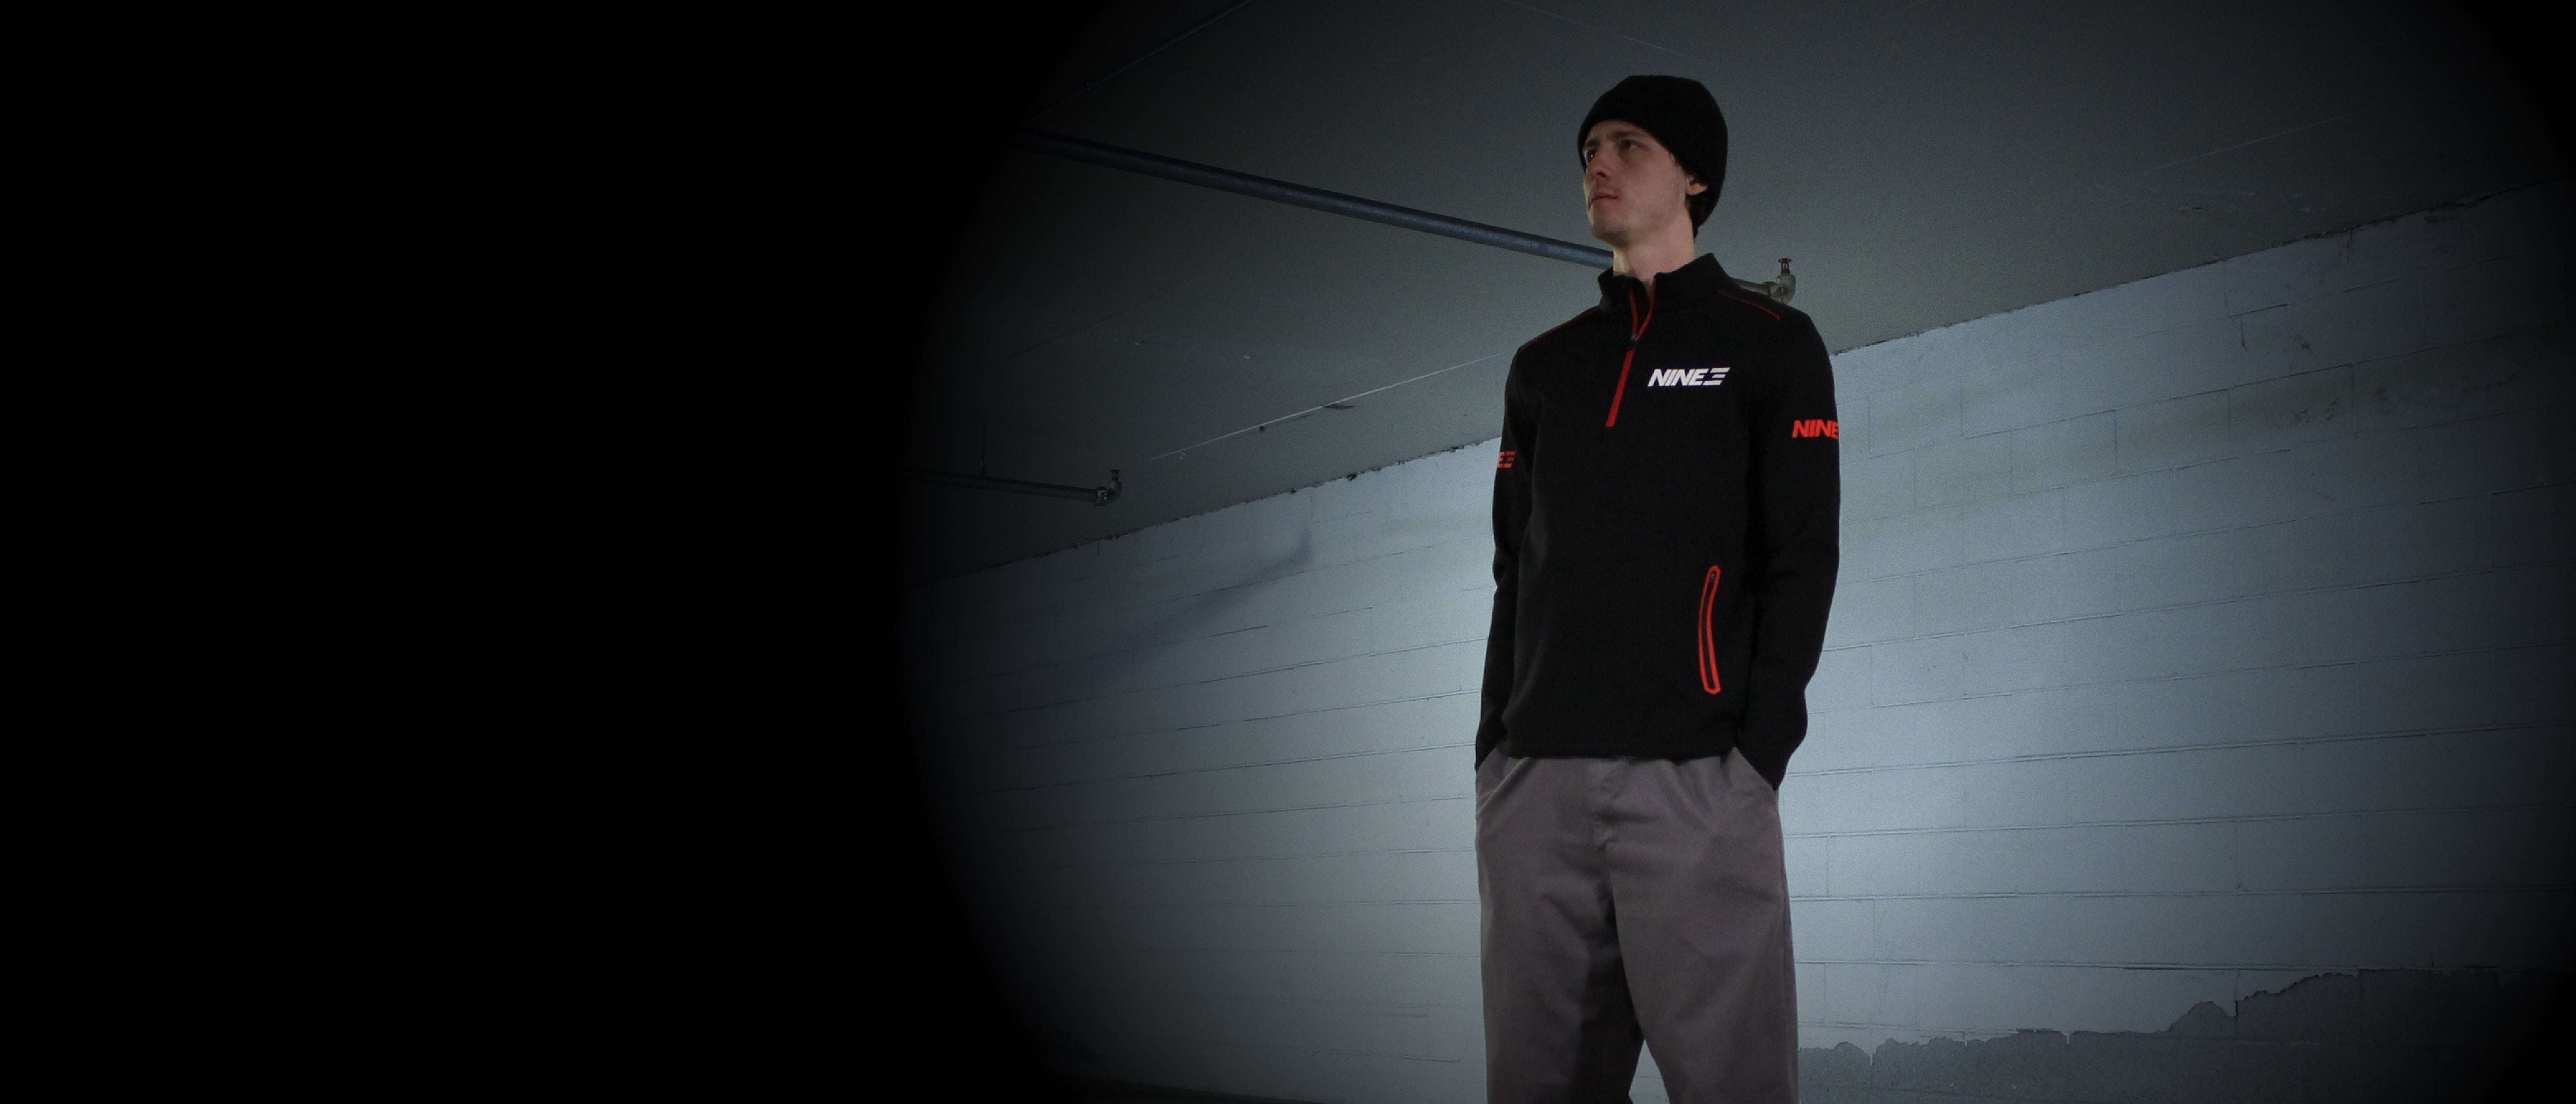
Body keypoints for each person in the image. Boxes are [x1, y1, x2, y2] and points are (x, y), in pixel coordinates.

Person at [1474, 74, 1840, 1104]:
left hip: (1697, 782)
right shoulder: (1544, 367)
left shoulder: (1768, 344)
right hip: (1535, 787)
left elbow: (1802, 558)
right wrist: (1494, 748)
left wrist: (1755, 757)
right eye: (1589, 147)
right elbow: (1514, 570)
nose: (1597, 162)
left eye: (1628, 144)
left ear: (1695, 176)